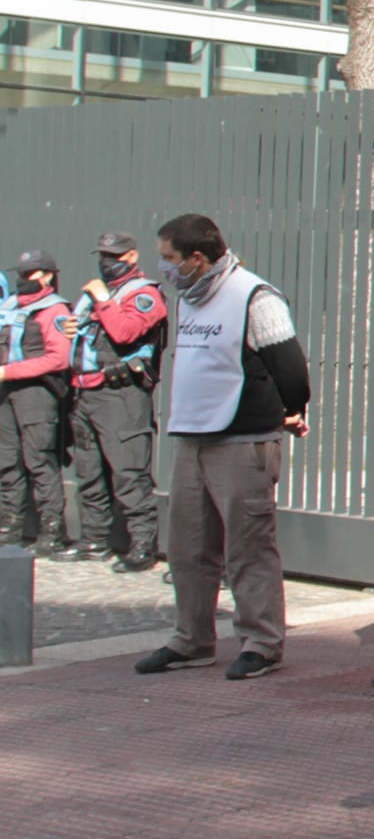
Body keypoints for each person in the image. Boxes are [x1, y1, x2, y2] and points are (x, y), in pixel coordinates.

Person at [133, 216, 311, 681]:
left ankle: (261, 642)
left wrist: (292, 408)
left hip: (242, 440)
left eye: (170, 258)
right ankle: (191, 640)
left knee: (248, 548)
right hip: (192, 437)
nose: (164, 268)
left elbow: (290, 366)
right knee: (188, 548)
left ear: (197, 258)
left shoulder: (255, 296)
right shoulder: (190, 298)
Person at [70, 232, 167, 570]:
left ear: (132, 256)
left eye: (115, 255)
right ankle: (95, 538)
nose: (107, 261)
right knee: (89, 470)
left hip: (121, 394)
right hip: (86, 392)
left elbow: (126, 332)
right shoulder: (101, 294)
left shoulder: (144, 295)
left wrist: (102, 300)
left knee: (129, 470)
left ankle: (142, 544)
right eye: (104, 254)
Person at [2, 249, 78, 557]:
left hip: (36, 391)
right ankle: (10, 528)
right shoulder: (8, 308)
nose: (24, 280)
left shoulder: (54, 310)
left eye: (30, 274)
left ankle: (52, 531)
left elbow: (58, 358)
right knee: (6, 462)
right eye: (21, 274)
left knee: (39, 460)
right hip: (6, 393)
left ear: (47, 276)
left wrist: (9, 371)